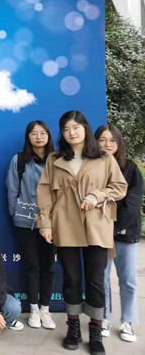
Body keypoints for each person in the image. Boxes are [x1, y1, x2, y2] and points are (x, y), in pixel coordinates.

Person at [37, 110, 127, 354]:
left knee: (96, 280)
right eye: (66, 129)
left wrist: (97, 195)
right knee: (71, 278)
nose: (71, 133)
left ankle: (95, 330)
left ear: (85, 128)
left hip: (97, 225)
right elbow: (44, 192)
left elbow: (119, 187)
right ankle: (73, 327)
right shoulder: (55, 158)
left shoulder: (103, 157)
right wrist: (45, 223)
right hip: (65, 223)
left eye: (76, 127)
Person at [5, 120, 56, 329]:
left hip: (52, 222)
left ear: (49, 135)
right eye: (34, 133)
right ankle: (34, 309)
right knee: (32, 265)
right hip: (25, 221)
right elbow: (11, 189)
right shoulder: (19, 160)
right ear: (28, 137)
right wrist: (15, 213)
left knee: (49, 266)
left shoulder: (57, 159)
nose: (39, 137)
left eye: (43, 133)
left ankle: (46, 309)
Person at [95, 123, 142, 343]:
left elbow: (132, 205)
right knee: (101, 279)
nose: (107, 144)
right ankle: (103, 318)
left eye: (112, 140)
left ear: (119, 143)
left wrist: (112, 227)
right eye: (102, 140)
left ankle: (127, 322)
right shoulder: (93, 167)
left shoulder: (131, 169)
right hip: (99, 234)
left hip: (125, 233)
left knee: (128, 280)